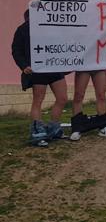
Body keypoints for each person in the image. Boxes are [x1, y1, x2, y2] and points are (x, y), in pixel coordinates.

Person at [12, 9, 68, 147]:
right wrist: (24, 66)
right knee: (38, 100)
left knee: (62, 98)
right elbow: (16, 50)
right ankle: (38, 132)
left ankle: (54, 129)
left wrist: (53, 0)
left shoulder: (50, 26)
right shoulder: (23, 29)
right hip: (37, 70)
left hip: (54, 68)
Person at [70, 69, 106, 141]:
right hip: (84, 66)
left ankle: (103, 126)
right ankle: (76, 128)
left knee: (101, 95)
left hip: (99, 66)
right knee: (79, 95)